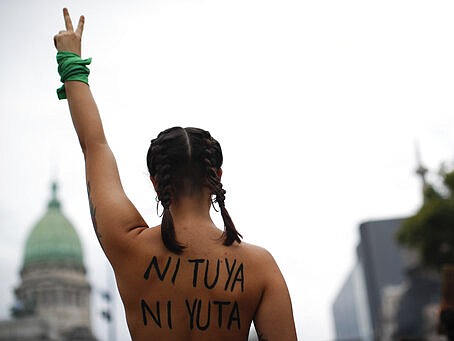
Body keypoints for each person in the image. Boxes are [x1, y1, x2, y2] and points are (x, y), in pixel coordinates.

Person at [53, 8, 297, 341]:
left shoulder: (128, 247)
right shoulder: (259, 267)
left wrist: (71, 64)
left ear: (156, 180)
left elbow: (94, 147)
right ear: (217, 176)